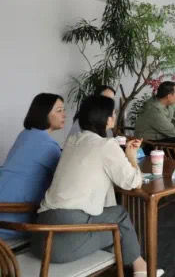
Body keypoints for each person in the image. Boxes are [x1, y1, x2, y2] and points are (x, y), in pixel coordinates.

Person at [32, 96, 163, 277]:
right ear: (106, 118)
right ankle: (140, 269)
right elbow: (132, 182)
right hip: (63, 244)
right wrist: (131, 156)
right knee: (120, 221)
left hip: (41, 235)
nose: (115, 115)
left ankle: (136, 265)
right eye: (113, 112)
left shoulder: (72, 141)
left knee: (116, 221)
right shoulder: (106, 145)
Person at [0, 93, 64, 240]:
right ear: (44, 113)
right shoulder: (49, 145)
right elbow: (63, 182)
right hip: (14, 221)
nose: (64, 115)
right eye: (59, 110)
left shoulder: (25, 134)